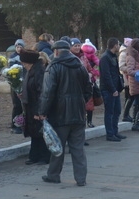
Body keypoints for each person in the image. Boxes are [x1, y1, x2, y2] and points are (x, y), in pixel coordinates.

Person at [36, 40, 92, 186]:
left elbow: (47, 92)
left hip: (59, 114)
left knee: (57, 146)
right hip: (78, 114)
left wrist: (43, 111)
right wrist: (80, 102)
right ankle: (81, 179)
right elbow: (88, 88)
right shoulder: (80, 66)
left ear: (55, 52)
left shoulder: (53, 67)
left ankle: (53, 175)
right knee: (78, 148)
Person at [19, 49, 50, 165]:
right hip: (31, 106)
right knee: (35, 132)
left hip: (37, 107)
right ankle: (34, 155)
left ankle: (44, 156)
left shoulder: (39, 72)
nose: (23, 65)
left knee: (40, 132)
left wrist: (40, 111)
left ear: (28, 62)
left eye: (23, 63)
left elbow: (41, 92)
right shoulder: (31, 70)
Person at [99, 38, 125, 141]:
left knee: (117, 111)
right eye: (118, 44)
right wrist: (113, 89)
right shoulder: (105, 58)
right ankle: (110, 134)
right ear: (114, 45)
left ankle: (115, 131)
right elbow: (106, 76)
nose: (119, 46)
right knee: (109, 112)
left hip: (115, 89)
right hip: (108, 90)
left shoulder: (113, 57)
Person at [124, 38, 139, 132]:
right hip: (136, 83)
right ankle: (137, 123)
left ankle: (135, 123)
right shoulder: (131, 56)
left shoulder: (137, 55)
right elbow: (130, 70)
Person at [8, 39, 26, 133]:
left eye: (20, 47)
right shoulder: (13, 57)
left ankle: (21, 123)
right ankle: (14, 125)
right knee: (17, 105)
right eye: (17, 47)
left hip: (24, 83)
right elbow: (11, 70)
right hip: (16, 84)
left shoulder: (25, 56)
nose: (19, 49)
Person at [119, 38, 134, 121]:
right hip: (126, 77)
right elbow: (121, 66)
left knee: (130, 97)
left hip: (130, 76)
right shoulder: (123, 53)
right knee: (128, 97)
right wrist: (130, 69)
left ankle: (127, 114)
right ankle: (125, 115)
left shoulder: (129, 52)